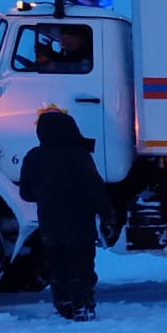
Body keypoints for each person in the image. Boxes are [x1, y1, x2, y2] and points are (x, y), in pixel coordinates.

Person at [18, 109, 120, 321]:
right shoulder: (78, 155)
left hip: (50, 227)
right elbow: (94, 190)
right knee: (81, 269)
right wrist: (107, 214)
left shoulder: (33, 157)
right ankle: (82, 306)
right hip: (79, 226)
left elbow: (26, 194)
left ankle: (63, 306)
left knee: (58, 269)